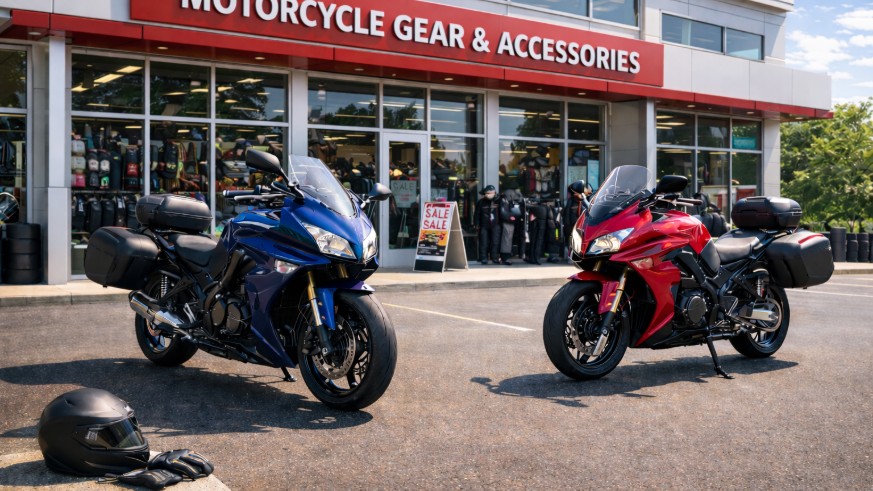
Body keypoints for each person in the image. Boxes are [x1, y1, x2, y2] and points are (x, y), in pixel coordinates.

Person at [563, 180, 593, 259]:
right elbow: (567, 215)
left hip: (581, 226)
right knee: (572, 242)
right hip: (573, 226)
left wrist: (583, 199)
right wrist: (567, 226)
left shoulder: (583, 201)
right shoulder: (572, 202)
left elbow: (589, 208)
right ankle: (572, 257)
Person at [474, 185, 501, 265]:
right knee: (483, 242)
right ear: (485, 193)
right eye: (488, 193)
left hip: (496, 224)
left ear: (495, 192)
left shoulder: (498, 201)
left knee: (495, 242)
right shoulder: (481, 202)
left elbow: (502, 212)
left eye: (491, 192)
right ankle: (484, 258)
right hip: (484, 225)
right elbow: (476, 214)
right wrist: (476, 224)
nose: (490, 194)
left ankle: (495, 258)